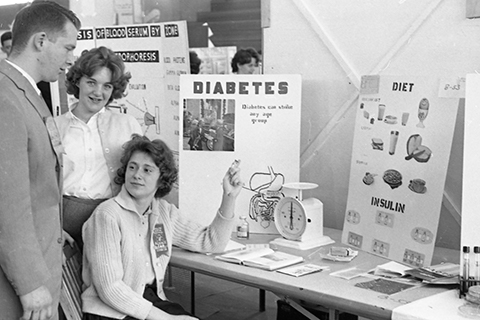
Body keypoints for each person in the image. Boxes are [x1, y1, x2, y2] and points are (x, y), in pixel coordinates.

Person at [81, 134, 243, 319]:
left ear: (162, 178)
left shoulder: (164, 212)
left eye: (147, 170)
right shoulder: (107, 215)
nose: (136, 175)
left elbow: (212, 243)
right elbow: (110, 289)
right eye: (132, 167)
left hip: (147, 302)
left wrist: (229, 197)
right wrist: (169, 319)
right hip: (109, 311)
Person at [0, 2, 81, 320]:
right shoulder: (7, 100)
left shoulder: (25, 93)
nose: (71, 59)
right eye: (68, 47)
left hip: (39, 260)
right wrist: (32, 283)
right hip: (18, 283)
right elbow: (9, 206)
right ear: (41, 41)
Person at [54, 46, 143, 249]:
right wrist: (52, 228)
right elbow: (41, 184)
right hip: (61, 223)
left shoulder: (127, 124)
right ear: (77, 81)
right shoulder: (55, 126)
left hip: (110, 221)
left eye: (107, 86)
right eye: (91, 83)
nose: (98, 92)